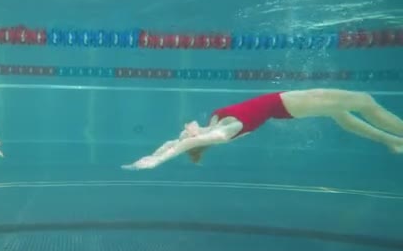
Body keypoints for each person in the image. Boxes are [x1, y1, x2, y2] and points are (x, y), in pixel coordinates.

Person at [122, 89, 403, 170]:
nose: (184, 129)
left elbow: (174, 142)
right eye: (187, 133)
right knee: (364, 101)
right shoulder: (225, 130)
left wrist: (154, 154)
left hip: (284, 104)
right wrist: (159, 161)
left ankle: (392, 141)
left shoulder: (213, 124)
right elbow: (182, 145)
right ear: (199, 139)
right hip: (285, 102)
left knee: (339, 112)